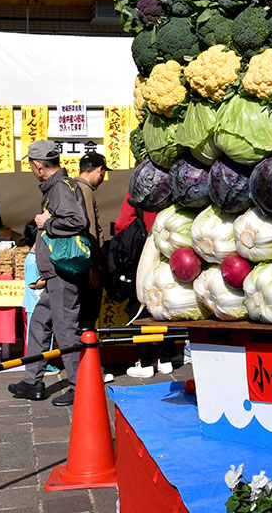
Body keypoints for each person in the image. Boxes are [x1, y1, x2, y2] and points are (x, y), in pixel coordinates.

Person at [8, 141, 90, 407]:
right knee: (40, 322)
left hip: (63, 274)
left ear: (38, 165)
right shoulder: (57, 187)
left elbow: (78, 222)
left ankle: (80, 387)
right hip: (56, 273)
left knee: (66, 330)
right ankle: (33, 381)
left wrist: (48, 223)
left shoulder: (59, 188)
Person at [115, 196, 178, 379]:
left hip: (144, 257)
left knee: (140, 305)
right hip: (170, 253)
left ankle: (145, 361)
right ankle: (165, 359)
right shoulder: (170, 190)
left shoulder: (136, 194)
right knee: (168, 303)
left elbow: (122, 223)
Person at [73, 151, 108, 332]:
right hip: (86, 264)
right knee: (88, 316)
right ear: (100, 170)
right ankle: (85, 358)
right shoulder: (85, 190)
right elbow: (91, 230)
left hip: (73, 262)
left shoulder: (68, 186)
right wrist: (94, 266)